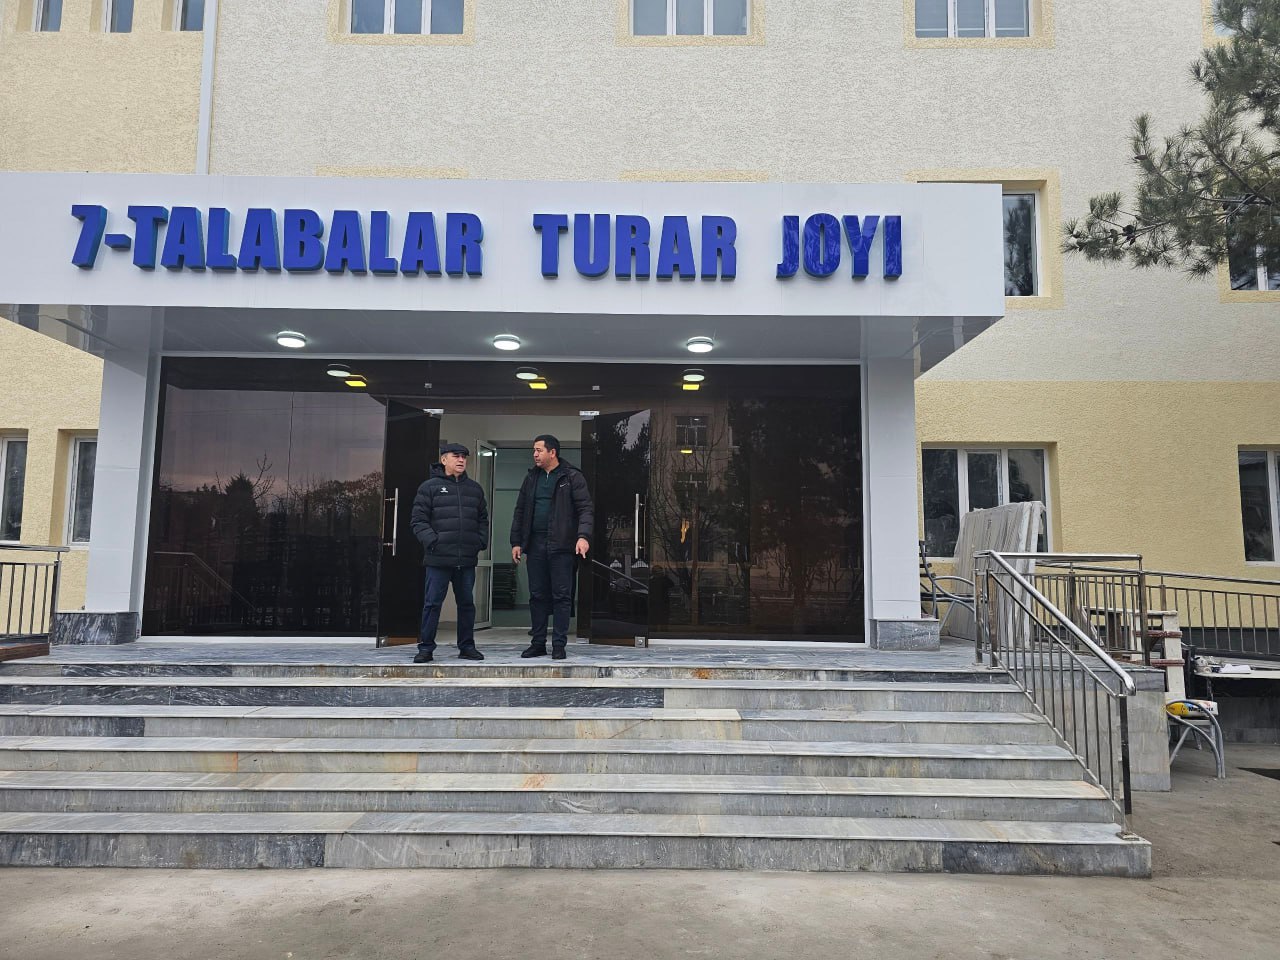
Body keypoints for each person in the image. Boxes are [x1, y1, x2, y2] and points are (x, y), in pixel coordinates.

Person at [510, 434, 592, 660]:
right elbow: (520, 510)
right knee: (537, 595)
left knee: (562, 596)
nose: (535, 454)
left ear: (552, 452)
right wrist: (516, 542)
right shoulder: (531, 478)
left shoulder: (571, 476)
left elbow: (585, 509)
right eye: (534, 450)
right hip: (535, 544)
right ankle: (537, 643)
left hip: (562, 545)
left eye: (539, 450)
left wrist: (583, 536)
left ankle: (558, 645)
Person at [410, 442, 489, 663]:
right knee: (432, 604)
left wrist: (479, 542)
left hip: (466, 559)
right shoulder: (429, 487)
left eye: (464, 456)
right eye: (456, 456)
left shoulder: (474, 489)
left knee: (466, 605)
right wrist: (433, 542)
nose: (461, 460)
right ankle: (426, 649)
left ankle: (467, 647)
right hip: (438, 558)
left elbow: (483, 520)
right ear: (444, 459)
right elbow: (418, 521)